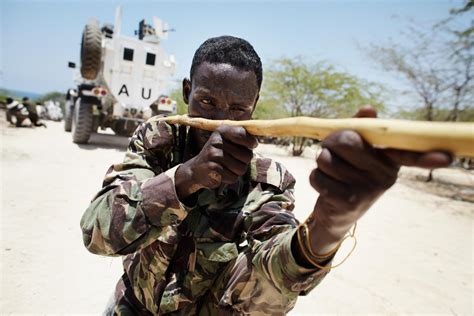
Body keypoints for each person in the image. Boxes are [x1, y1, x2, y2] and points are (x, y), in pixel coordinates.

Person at [80, 36, 451, 315]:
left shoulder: (268, 181)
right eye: (207, 102)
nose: (222, 122)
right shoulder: (157, 140)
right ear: (187, 92)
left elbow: (269, 281)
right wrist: (185, 178)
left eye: (239, 108)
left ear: (255, 107)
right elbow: (98, 235)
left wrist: (331, 223)